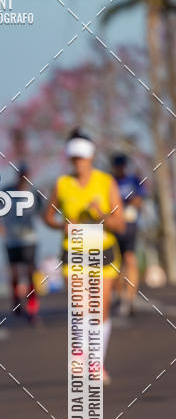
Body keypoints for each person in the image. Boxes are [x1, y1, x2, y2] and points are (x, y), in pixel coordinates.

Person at [44, 129, 125, 384]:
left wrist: (101, 214)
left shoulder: (106, 182)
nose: (78, 162)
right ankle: (80, 354)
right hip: (75, 250)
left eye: (82, 157)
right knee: (80, 307)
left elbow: (120, 224)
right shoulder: (62, 184)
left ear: (90, 157)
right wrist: (61, 226)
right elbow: (47, 216)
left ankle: (96, 363)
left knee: (99, 310)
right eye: (74, 158)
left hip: (103, 252)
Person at [0, 164, 41, 324]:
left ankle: (32, 306)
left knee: (30, 272)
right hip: (12, 239)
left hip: (29, 238)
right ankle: (17, 301)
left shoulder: (34, 193)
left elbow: (44, 211)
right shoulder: (6, 192)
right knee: (14, 272)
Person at [111, 153, 147, 317]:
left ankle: (131, 297)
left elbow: (140, 200)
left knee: (130, 259)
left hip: (130, 226)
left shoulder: (133, 180)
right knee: (117, 264)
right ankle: (120, 295)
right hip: (114, 228)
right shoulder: (110, 182)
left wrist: (129, 201)